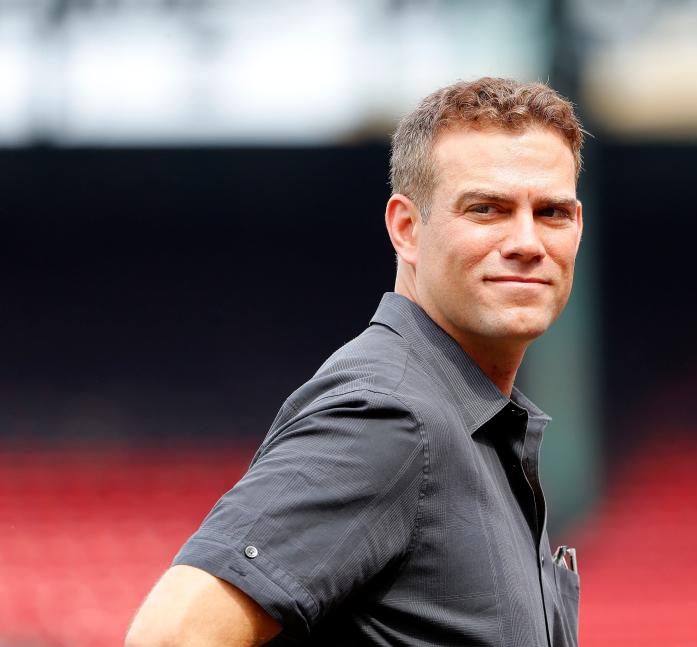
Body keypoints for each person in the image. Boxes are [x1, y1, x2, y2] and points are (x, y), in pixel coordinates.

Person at [125, 76, 585, 647]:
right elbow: (173, 638)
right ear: (406, 229)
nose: (527, 241)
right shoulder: (391, 416)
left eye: (552, 213)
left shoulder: (470, 424)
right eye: (487, 209)